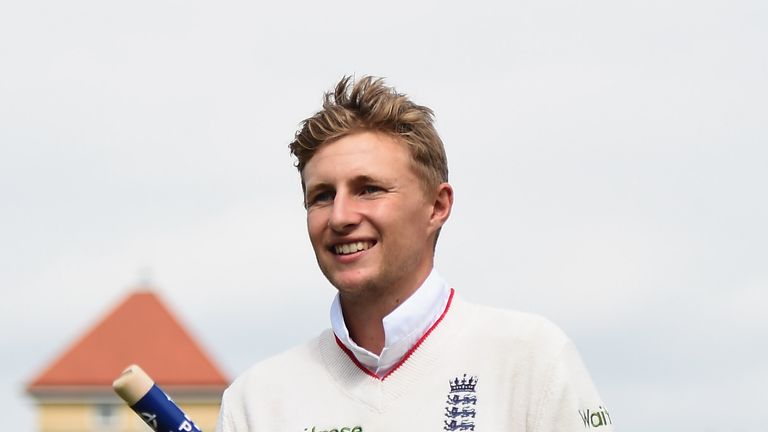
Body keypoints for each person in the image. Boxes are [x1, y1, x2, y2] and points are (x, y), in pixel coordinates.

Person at [216, 76, 614, 432]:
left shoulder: (531, 359)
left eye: (369, 189)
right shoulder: (255, 402)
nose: (340, 216)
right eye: (322, 196)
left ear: (437, 207)